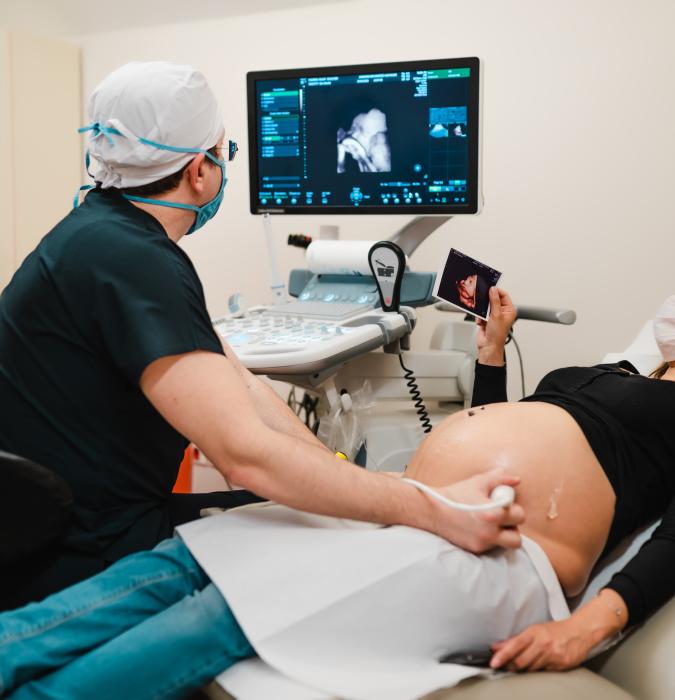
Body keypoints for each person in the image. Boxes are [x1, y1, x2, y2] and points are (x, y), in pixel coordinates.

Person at [0, 61, 519, 609]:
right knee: (323, 557)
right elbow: (245, 457)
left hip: (62, 525)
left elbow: (240, 384)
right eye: (226, 154)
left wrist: (333, 472)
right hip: (85, 556)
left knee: (316, 514)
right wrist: (426, 506)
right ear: (201, 171)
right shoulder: (134, 260)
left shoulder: (102, 233)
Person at [1, 287, 673, 699]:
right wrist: (491, 354)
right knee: (182, 560)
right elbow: (510, 423)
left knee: (232, 611)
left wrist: (589, 626)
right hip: (424, 507)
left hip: (504, 547)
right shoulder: (621, 368)